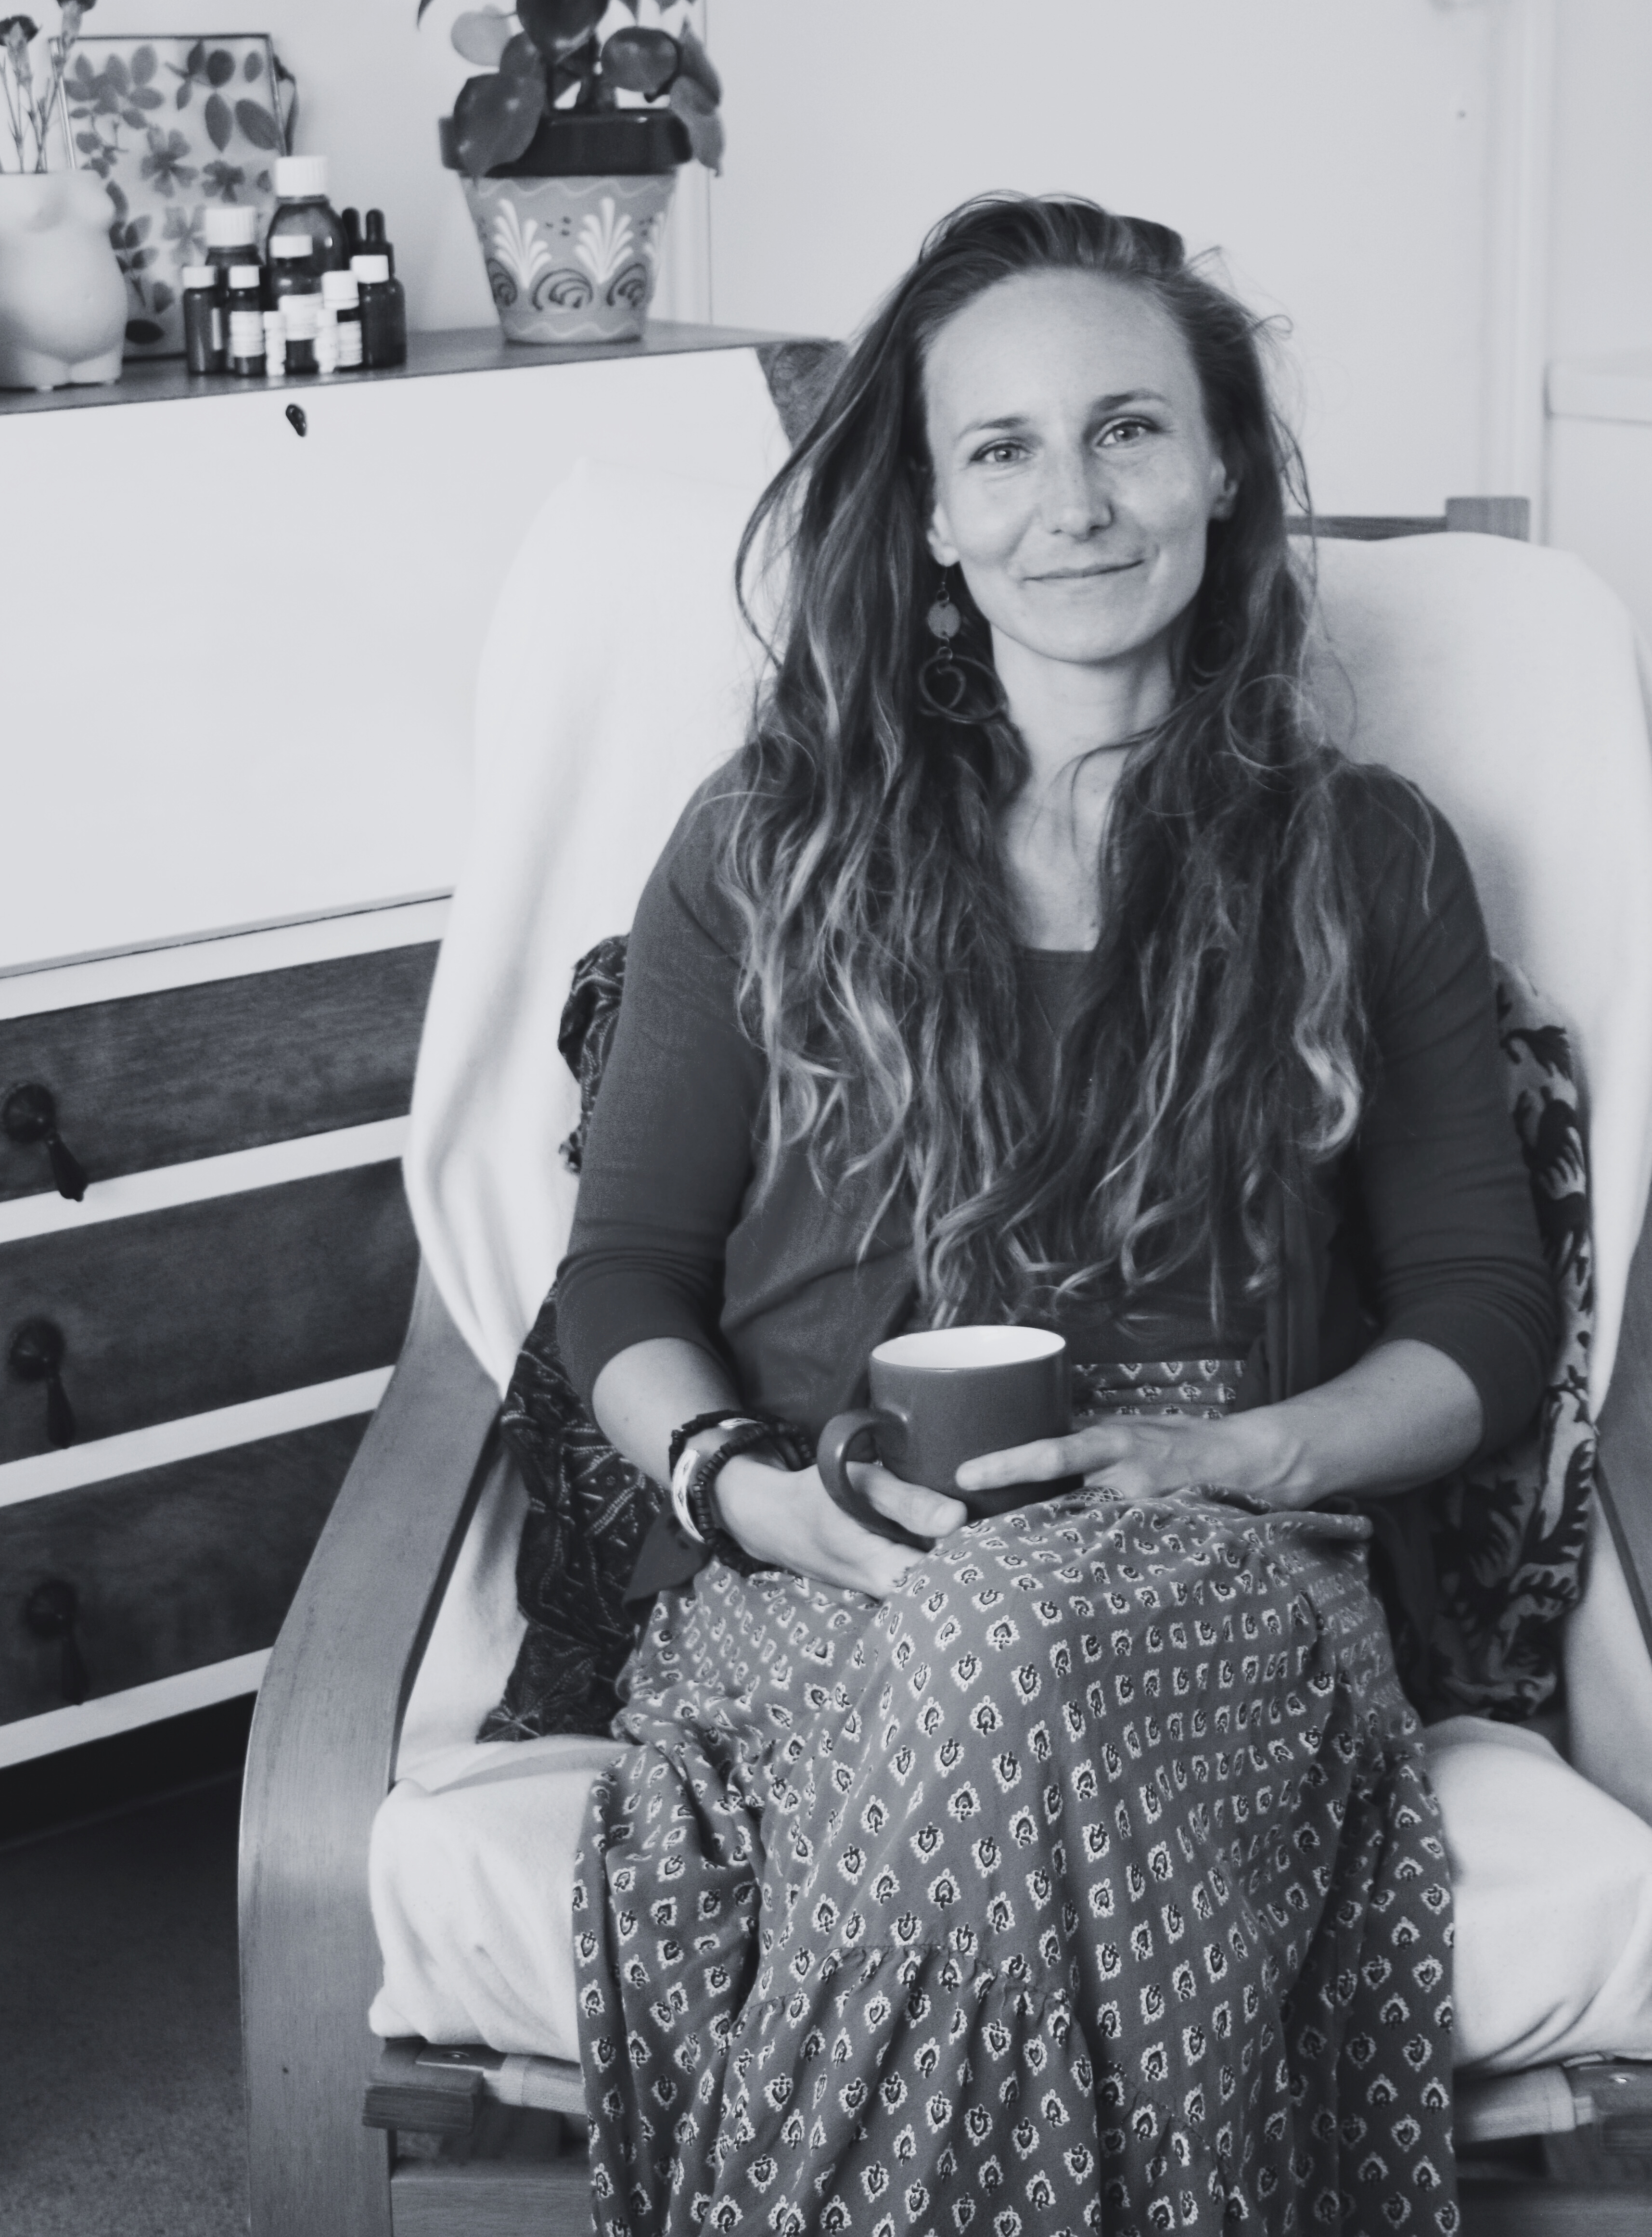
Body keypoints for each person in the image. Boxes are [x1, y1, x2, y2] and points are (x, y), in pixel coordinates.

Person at [554, 195, 1556, 2236]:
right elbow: (628, 1279)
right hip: (814, 1594)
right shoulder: (766, 853)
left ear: (1221, 471)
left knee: (1020, 1640)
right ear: (925, 516)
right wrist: (748, 1488)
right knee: (979, 1658)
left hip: (1233, 1577)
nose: (1073, 501)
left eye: (1128, 431)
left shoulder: (1365, 861)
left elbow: (1480, 1320)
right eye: (1000, 449)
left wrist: (1229, 1453)